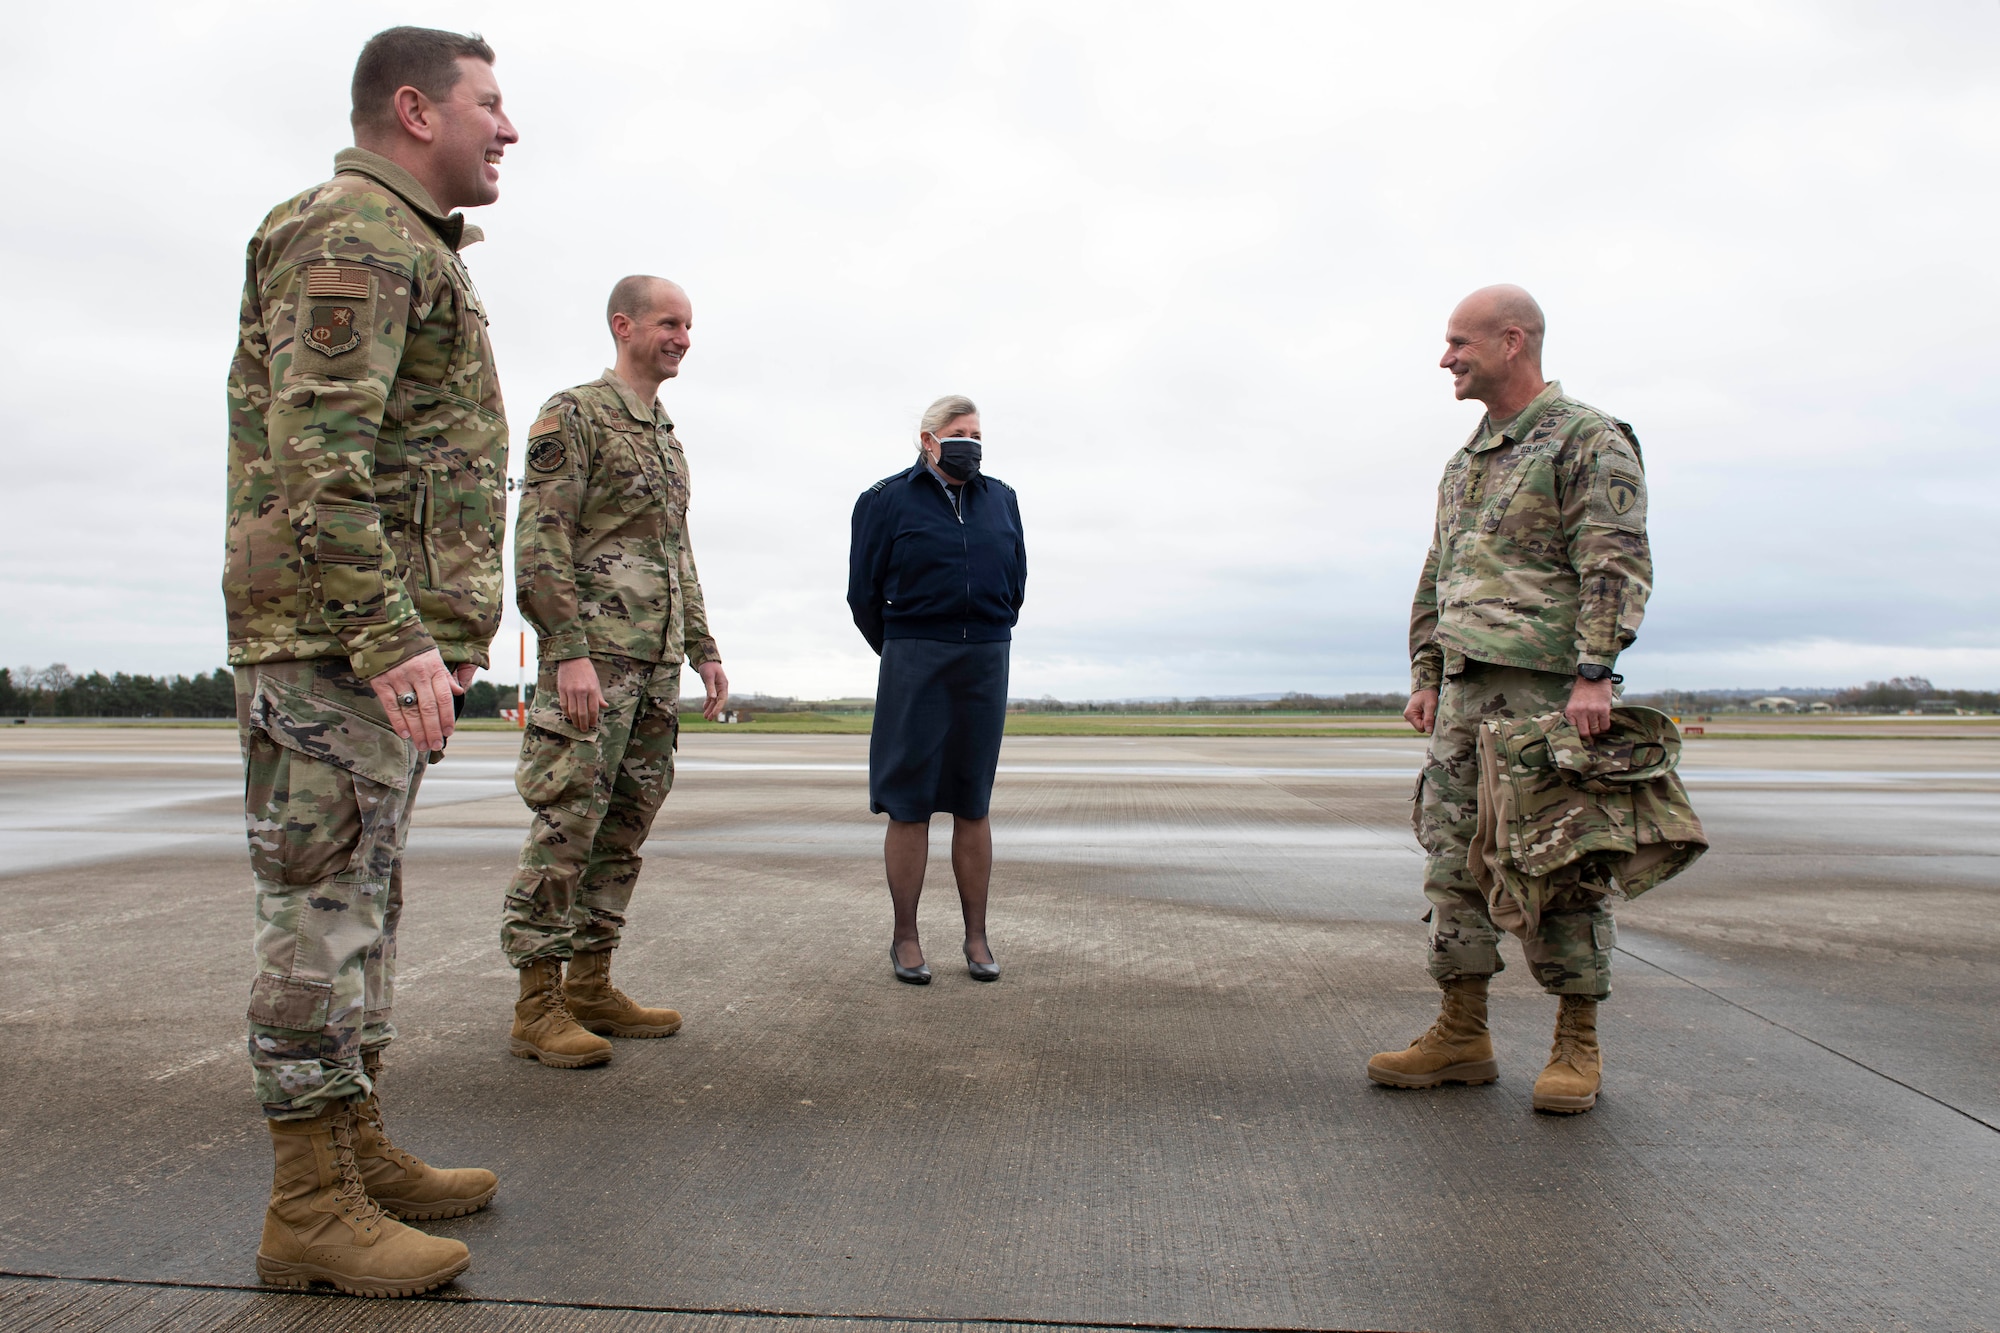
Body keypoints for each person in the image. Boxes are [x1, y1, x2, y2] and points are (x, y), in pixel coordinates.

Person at [225, 26, 517, 1295]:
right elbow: (319, 451)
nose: (507, 130)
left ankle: (352, 1150)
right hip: (336, 646)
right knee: (318, 920)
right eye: (489, 106)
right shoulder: (353, 234)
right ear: (415, 110)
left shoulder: (407, 243)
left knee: (362, 911)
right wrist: (389, 629)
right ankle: (307, 1210)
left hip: (367, 646)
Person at [1366, 285, 1653, 1115]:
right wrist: (1427, 672)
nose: (1446, 358)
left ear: (1512, 341)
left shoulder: (1586, 440)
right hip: (1464, 695)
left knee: (1561, 863)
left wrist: (1595, 671)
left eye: (1459, 342)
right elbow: (1438, 573)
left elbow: (1614, 558)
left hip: (1549, 698)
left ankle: (1577, 1041)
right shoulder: (1465, 463)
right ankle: (1462, 1031)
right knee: (1453, 860)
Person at [502, 276, 730, 1067]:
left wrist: (704, 647)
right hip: (593, 662)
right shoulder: (575, 414)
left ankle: (592, 981)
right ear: (623, 325)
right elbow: (540, 539)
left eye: (690, 326)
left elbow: (677, 552)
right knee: (569, 821)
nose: (683, 337)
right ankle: (538, 1000)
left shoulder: (666, 433)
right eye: (671, 323)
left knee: (627, 824)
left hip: (655, 662)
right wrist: (565, 649)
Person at [847, 396, 1027, 984]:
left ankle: (976, 938)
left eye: (976, 434)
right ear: (928, 440)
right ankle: (906, 938)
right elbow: (862, 595)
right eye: (958, 433)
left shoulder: (1002, 499)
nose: (970, 443)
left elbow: (1016, 581)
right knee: (910, 801)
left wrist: (988, 628)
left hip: (985, 658)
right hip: (914, 657)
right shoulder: (883, 501)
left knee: (973, 801)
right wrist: (904, 646)